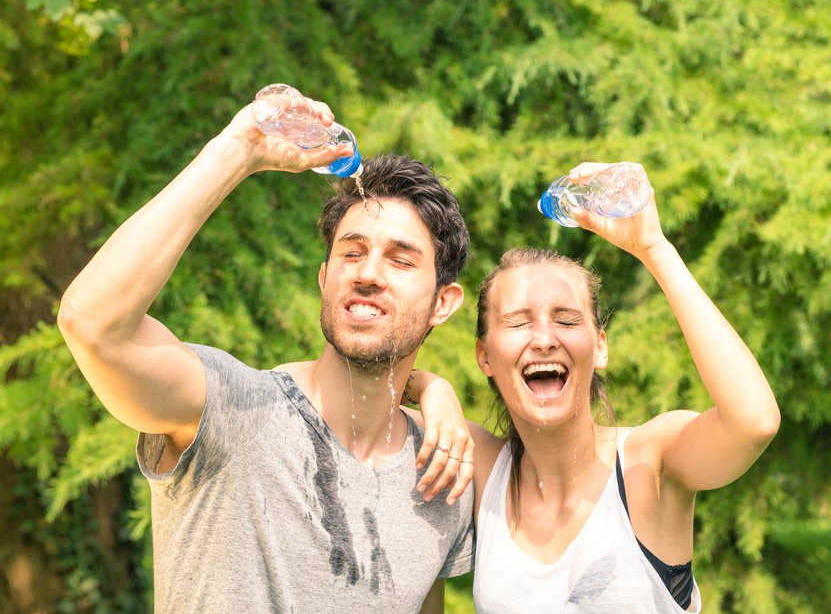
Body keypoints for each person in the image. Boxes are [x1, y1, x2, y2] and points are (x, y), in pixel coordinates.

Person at [57, 93, 476, 612]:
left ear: (443, 303)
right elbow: (92, 324)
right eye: (351, 252)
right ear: (326, 278)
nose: (367, 274)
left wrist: (432, 387)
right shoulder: (232, 410)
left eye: (400, 260)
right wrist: (238, 149)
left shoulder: (444, 473)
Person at [464, 161, 780, 612]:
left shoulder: (647, 464)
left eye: (567, 320)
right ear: (485, 357)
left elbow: (755, 422)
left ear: (600, 346)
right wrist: (427, 385)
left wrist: (654, 248)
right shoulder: (481, 467)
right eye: (518, 322)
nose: (545, 338)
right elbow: (360, 401)